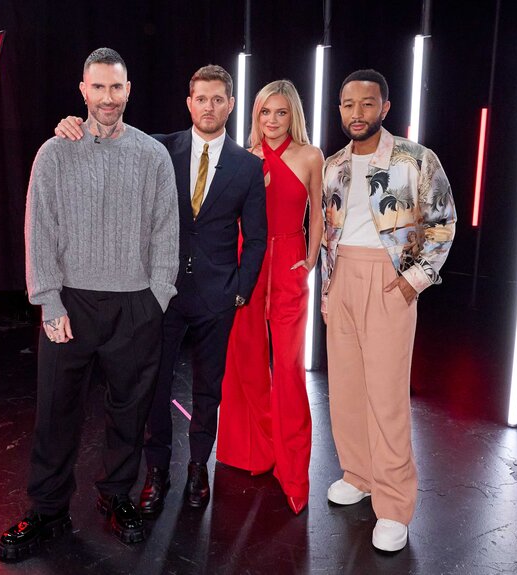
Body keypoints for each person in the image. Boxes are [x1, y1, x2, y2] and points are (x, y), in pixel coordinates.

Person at [55, 65, 267, 515]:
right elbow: (108, 135)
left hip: (217, 296)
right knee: (153, 386)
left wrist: (239, 291)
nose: (209, 107)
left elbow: (258, 235)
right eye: (201, 98)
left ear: (230, 104)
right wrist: (70, 124)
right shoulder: (158, 149)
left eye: (218, 99)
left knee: (209, 390)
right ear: (189, 103)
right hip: (161, 295)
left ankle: (197, 467)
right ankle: (157, 470)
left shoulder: (249, 167)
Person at [0, 47, 179, 561]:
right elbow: (40, 228)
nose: (107, 97)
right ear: (83, 90)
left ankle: (117, 498)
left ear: (128, 91)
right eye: (97, 87)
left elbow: (167, 229)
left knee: (129, 413)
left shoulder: (152, 155)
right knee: (56, 412)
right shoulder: (55, 151)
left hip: (136, 306)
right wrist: (48, 301)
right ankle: (48, 510)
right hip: (70, 305)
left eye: (115, 87)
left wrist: (157, 296)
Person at [320, 69, 455, 552]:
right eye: (348, 105)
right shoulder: (333, 164)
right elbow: (326, 236)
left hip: (388, 282)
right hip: (342, 283)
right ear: (340, 109)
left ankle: (394, 505)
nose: (357, 113)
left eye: (367, 103)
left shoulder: (415, 159)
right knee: (346, 389)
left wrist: (410, 283)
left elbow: (442, 223)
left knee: (387, 396)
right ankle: (358, 474)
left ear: (385, 107)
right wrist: (326, 292)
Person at [215, 80, 323, 515]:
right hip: (249, 261)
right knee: (245, 358)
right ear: (254, 115)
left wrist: (311, 258)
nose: (272, 121)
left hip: (290, 261)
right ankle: (254, 451)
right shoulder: (244, 159)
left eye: (280, 112)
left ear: (292, 114)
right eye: (264, 113)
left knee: (291, 367)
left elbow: (318, 210)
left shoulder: (310, 156)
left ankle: (293, 468)